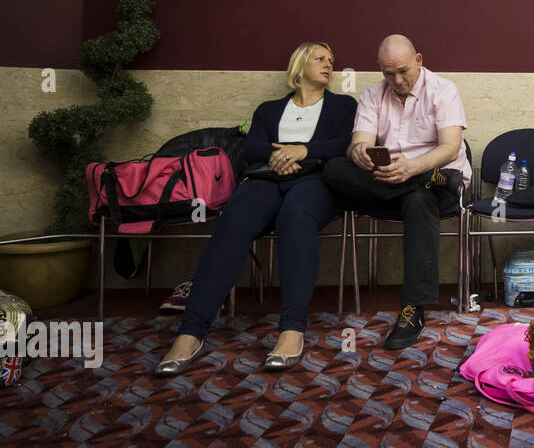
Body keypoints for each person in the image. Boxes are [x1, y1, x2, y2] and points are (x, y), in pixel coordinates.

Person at [155, 42, 357, 376]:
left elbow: (344, 144)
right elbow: (253, 148)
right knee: (235, 219)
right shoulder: (268, 109)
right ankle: (190, 332)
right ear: (299, 65)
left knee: (295, 215)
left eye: (331, 61)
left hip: (316, 182)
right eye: (320, 59)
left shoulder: (343, 106)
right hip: (267, 179)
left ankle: (292, 329)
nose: (329, 65)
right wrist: (281, 158)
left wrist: (301, 152)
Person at [323, 34, 471, 349]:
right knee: (334, 168)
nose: (397, 80)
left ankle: (412, 310)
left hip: (435, 177)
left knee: (420, 198)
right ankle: (414, 185)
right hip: (391, 180)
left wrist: (413, 167)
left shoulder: (443, 90)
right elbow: (357, 143)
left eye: (403, 71)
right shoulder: (372, 95)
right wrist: (360, 151)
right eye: (388, 73)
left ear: (419, 60)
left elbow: (450, 148)